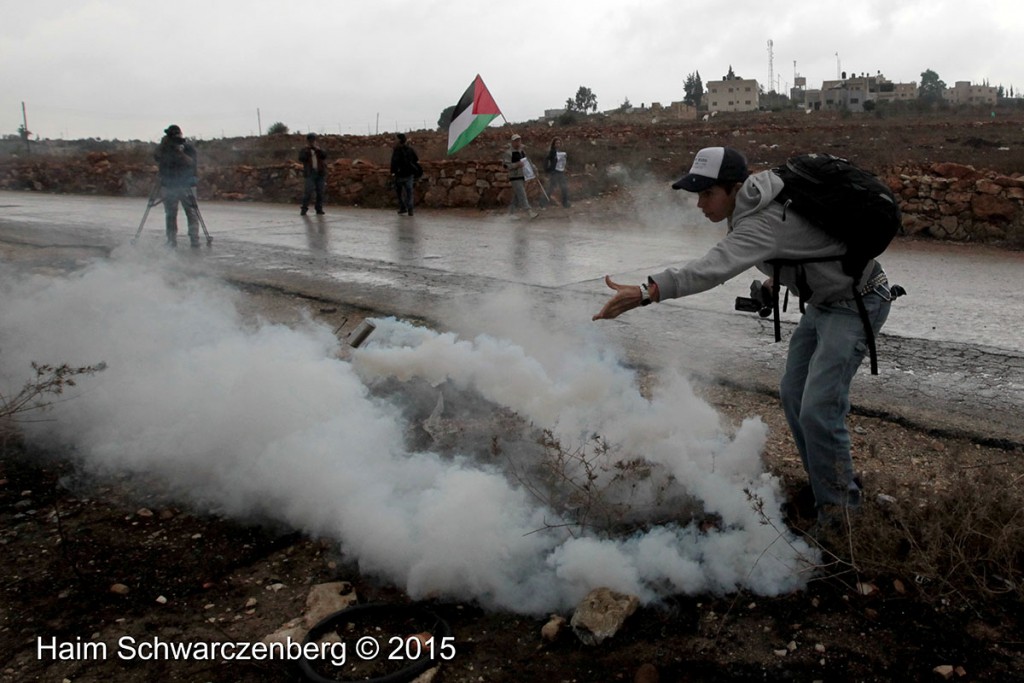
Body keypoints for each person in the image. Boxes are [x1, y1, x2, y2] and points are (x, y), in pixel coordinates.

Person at [592, 146, 893, 535]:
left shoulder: (760, 221)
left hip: (857, 304)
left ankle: (841, 518)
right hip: (824, 302)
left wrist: (647, 292)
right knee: (793, 394)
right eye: (696, 194)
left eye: (707, 194)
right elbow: (806, 243)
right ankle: (827, 486)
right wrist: (774, 282)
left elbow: (710, 270)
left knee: (819, 408)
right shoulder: (760, 204)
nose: (700, 204)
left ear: (734, 188)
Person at [153, 124, 200, 247]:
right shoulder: (164, 148)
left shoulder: (187, 148)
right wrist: (163, 146)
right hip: (169, 185)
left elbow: (192, 163)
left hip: (186, 184)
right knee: (170, 213)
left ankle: (194, 239)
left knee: (191, 212)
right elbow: (156, 157)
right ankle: (171, 240)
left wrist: (180, 153)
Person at [502, 133, 538, 219]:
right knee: (522, 194)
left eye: (519, 140)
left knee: (517, 195)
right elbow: (506, 165)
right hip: (514, 177)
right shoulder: (508, 153)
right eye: (516, 141)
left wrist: (534, 169)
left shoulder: (522, 152)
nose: (518, 142)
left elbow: (528, 162)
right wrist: (516, 165)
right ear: (512, 142)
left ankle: (511, 213)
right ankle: (528, 211)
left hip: (523, 175)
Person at [389, 133, 419, 216]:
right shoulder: (410, 149)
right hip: (409, 174)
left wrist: (392, 173)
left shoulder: (396, 150)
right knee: (409, 192)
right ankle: (410, 209)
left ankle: (403, 207)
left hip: (399, 174)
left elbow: (393, 162)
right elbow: (416, 159)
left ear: (399, 140)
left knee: (399, 192)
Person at [299, 132, 327, 216]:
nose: (312, 142)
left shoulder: (319, 150)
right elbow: (301, 158)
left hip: (320, 173)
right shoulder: (304, 150)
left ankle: (319, 209)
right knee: (308, 191)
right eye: (311, 141)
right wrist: (308, 150)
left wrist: (317, 149)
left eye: (314, 140)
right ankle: (304, 208)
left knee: (320, 191)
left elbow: (324, 156)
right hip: (310, 173)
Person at [543, 137, 570, 208]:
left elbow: (563, 162)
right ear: (554, 144)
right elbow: (546, 160)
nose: (558, 144)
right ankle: (543, 202)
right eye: (557, 143)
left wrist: (565, 168)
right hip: (554, 171)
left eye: (559, 143)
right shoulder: (552, 152)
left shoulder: (562, 152)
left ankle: (565, 202)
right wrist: (548, 169)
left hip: (561, 171)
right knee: (551, 187)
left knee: (564, 187)